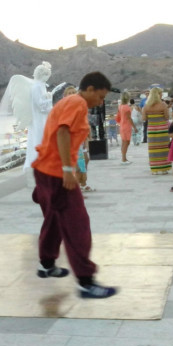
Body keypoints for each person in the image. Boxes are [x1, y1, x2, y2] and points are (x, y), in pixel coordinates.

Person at [31, 71, 117, 299]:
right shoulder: (77, 103)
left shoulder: (69, 102)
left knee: (54, 219)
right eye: (100, 96)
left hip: (45, 170)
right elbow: (63, 132)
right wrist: (68, 170)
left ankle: (46, 264)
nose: (101, 102)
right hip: (56, 173)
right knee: (77, 224)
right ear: (89, 89)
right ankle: (86, 282)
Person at [24, 62, 53, 169]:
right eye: (46, 75)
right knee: (40, 136)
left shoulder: (41, 86)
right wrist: (50, 98)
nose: (47, 77)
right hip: (39, 118)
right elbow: (40, 105)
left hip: (43, 117)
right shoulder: (37, 87)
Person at [142, 88, 170, 175]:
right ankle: (164, 168)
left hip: (152, 129)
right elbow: (167, 117)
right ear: (158, 95)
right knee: (164, 148)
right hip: (163, 129)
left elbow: (144, 118)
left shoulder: (146, 106)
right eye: (161, 94)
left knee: (153, 149)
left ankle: (155, 169)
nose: (162, 95)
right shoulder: (163, 105)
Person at [115, 91, 135, 164]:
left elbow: (118, 116)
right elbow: (129, 118)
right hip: (127, 126)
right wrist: (135, 127)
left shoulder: (120, 106)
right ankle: (123, 158)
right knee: (126, 142)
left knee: (124, 142)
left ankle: (124, 158)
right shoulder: (127, 107)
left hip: (122, 125)